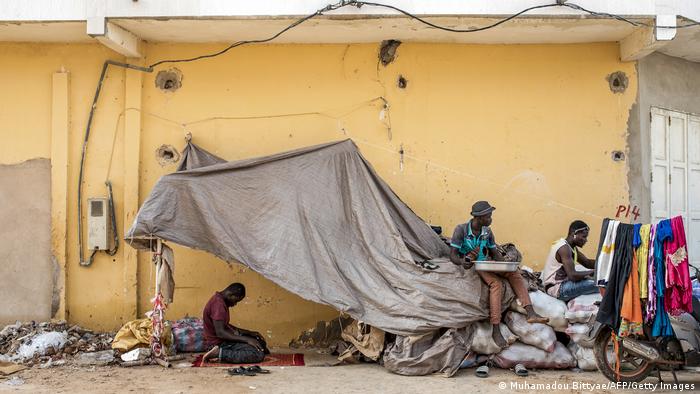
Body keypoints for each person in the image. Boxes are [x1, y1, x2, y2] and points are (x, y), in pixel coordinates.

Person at [450, 201, 548, 349]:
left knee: (514, 273)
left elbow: (495, 252)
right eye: (489, 217)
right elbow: (453, 255)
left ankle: (530, 312)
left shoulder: (487, 232)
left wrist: (505, 266)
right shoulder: (461, 230)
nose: (491, 220)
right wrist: (462, 262)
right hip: (474, 265)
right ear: (479, 217)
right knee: (496, 285)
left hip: (486, 263)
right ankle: (495, 328)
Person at [201, 283, 269, 363]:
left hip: (224, 340)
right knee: (257, 354)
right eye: (236, 300)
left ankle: (224, 352)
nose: (235, 304)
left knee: (258, 342)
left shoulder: (219, 300)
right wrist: (247, 339)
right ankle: (219, 353)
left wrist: (249, 333)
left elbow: (225, 325)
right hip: (219, 343)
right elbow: (221, 333)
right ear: (230, 295)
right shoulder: (218, 305)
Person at [542, 220, 598, 302]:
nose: (586, 240)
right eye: (584, 236)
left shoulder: (572, 248)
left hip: (563, 285)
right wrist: (592, 272)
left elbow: (587, 263)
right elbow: (572, 276)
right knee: (603, 284)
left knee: (599, 281)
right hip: (557, 289)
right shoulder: (564, 248)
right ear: (574, 234)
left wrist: (607, 263)